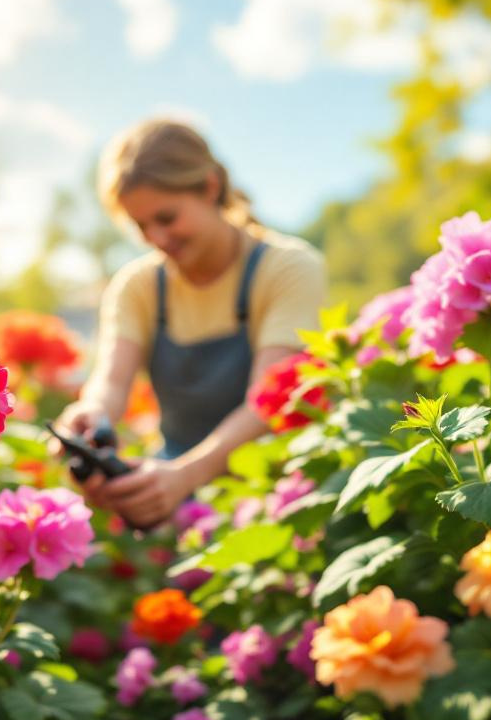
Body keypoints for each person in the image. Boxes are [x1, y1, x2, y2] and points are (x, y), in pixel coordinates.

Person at [54, 119, 327, 529]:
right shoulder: (139, 286)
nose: (157, 237)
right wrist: (93, 412)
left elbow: (265, 404)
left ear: (210, 187)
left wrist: (186, 475)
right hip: (177, 481)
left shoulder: (286, 268)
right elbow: (111, 381)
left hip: (276, 489)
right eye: (141, 226)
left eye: (166, 217)